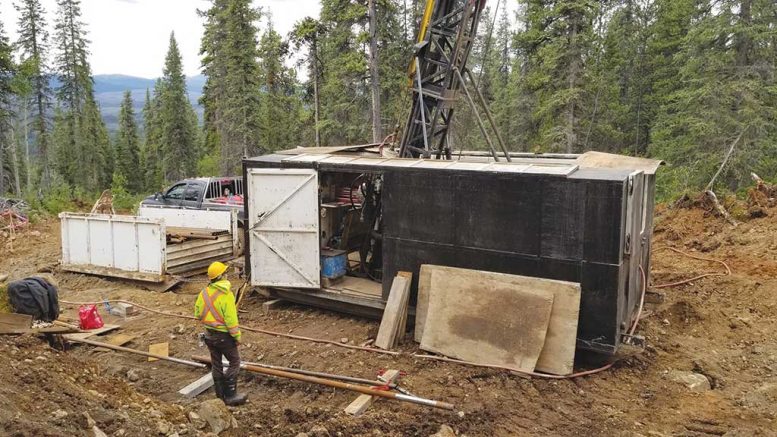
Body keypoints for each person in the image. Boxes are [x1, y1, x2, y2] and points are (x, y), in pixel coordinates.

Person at [194, 262, 247, 406]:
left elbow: (198, 313)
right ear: (221, 276)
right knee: (234, 362)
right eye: (225, 272)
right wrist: (236, 336)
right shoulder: (226, 294)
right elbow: (231, 320)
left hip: (209, 335)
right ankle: (230, 396)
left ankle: (220, 396)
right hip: (224, 336)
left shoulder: (203, 293)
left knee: (216, 364)